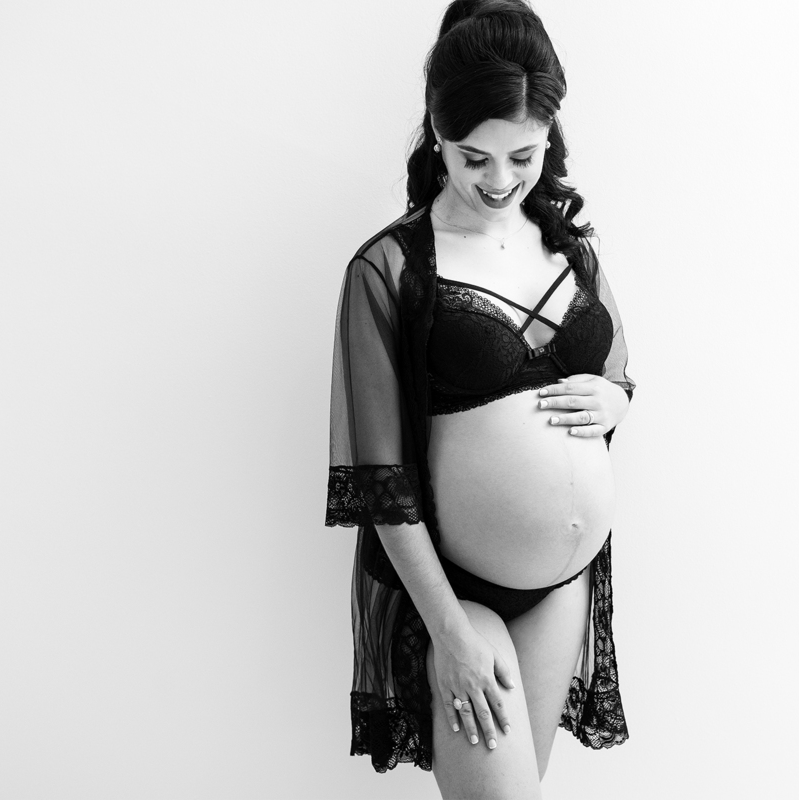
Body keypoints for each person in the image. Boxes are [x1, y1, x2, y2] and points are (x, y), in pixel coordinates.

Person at [325, 1, 635, 795]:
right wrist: (450, 633)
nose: (499, 181)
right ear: (437, 130)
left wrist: (616, 402)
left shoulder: (570, 248)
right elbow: (380, 483)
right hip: (460, 594)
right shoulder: (390, 269)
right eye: (475, 158)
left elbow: (618, 372)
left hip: (562, 587)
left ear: (550, 133)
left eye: (522, 156)